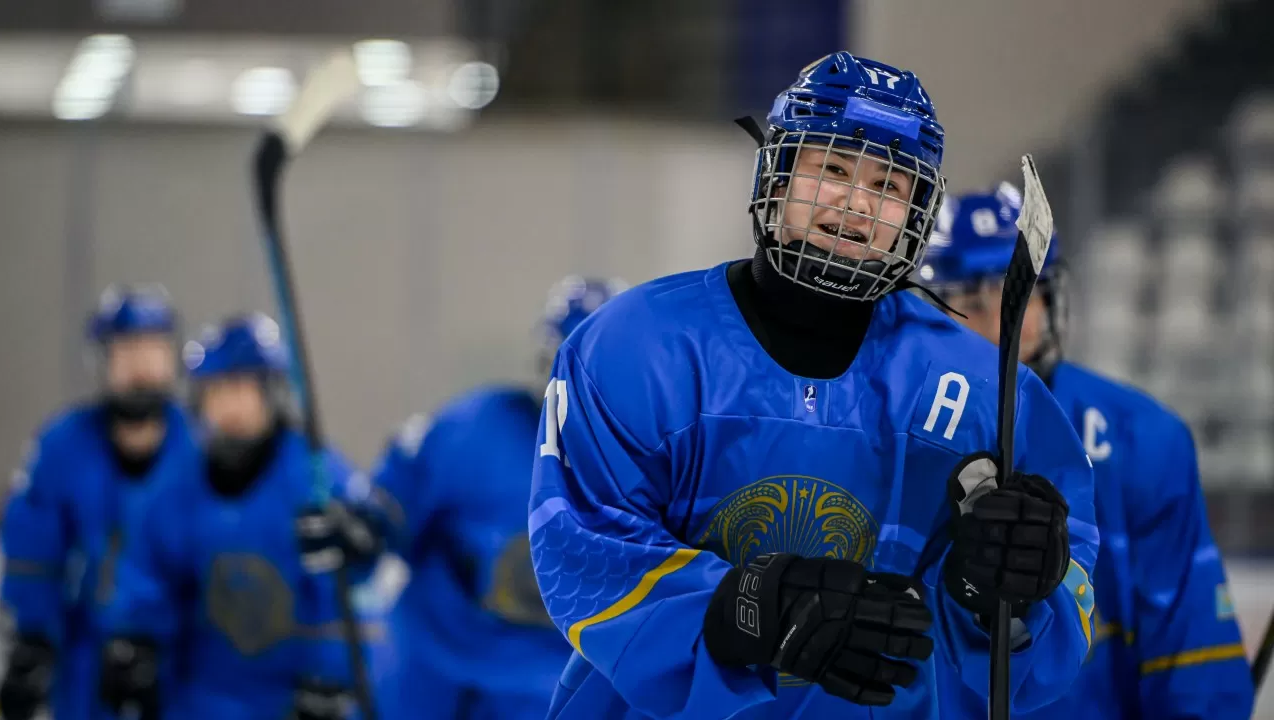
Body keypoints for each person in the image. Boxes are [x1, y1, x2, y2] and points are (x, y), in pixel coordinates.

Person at [527, 51, 1099, 720]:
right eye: (830, 168)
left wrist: (1004, 590)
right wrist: (757, 607)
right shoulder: (634, 347)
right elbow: (581, 549)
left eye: (889, 185)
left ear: (917, 214)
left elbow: (1055, 624)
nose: (856, 204)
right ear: (777, 169)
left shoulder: (982, 389)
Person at [923, 185, 1255, 719]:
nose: (995, 318)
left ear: (1050, 297)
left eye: (1015, 291)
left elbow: (1190, 655)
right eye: (967, 297)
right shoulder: (892, 432)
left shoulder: (1141, 438)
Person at [99, 312, 379, 720]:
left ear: (270, 394)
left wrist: (331, 676)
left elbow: (348, 593)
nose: (230, 406)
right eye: (218, 391)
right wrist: (135, 643)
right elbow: (147, 572)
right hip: (199, 697)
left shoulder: (317, 480)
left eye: (244, 388)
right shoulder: (177, 484)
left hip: (289, 700)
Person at [369, 277, 625, 720]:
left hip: (543, 676)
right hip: (431, 650)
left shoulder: (656, 469)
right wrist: (366, 524)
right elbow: (394, 499)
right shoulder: (479, 427)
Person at [0, 285, 196, 720]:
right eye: (126, 352)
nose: (140, 367)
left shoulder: (202, 451)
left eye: (151, 350)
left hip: (184, 668)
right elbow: (32, 550)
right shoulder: (62, 446)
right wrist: (34, 640)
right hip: (84, 662)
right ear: (104, 361)